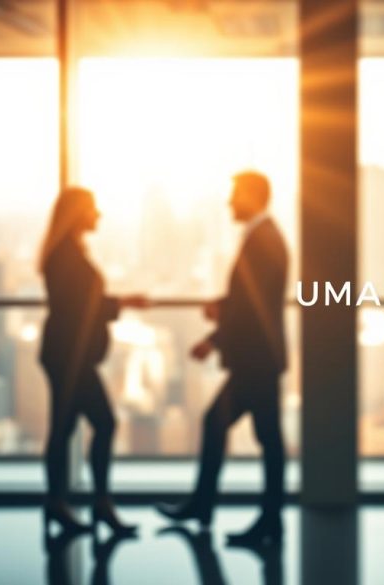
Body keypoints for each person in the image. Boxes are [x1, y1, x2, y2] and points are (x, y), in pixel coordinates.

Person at [157, 171, 289, 548]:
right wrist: (224, 306)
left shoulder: (263, 241)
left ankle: (216, 508)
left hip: (255, 358)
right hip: (259, 357)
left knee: (236, 429)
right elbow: (250, 298)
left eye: (236, 195)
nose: (230, 202)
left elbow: (252, 307)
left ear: (253, 196)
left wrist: (213, 340)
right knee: (261, 436)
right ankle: (259, 517)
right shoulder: (264, 237)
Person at [38, 186, 148, 535]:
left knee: (66, 428)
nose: (97, 215)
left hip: (69, 355)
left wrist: (119, 303)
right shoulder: (65, 255)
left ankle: (62, 503)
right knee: (100, 423)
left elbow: (82, 303)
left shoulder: (66, 251)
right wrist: (122, 303)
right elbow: (80, 307)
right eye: (91, 209)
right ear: (76, 214)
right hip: (70, 357)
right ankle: (93, 503)